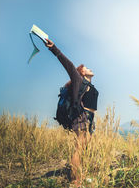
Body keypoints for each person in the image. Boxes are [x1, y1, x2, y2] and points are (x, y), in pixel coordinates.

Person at [45, 38, 99, 184]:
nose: (89, 68)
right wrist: (54, 48)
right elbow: (68, 65)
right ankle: (75, 180)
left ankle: (80, 173)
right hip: (81, 117)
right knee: (79, 148)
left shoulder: (89, 85)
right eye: (86, 68)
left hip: (89, 118)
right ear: (81, 72)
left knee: (84, 148)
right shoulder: (78, 80)